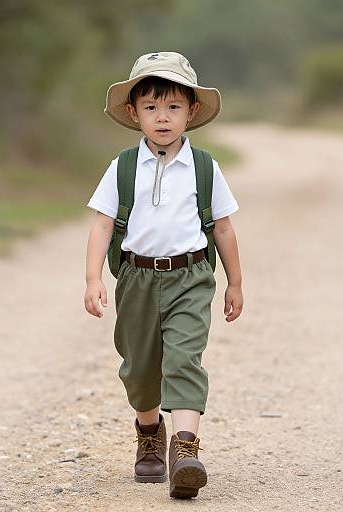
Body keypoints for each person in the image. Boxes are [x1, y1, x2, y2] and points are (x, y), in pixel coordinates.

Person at [84, 51, 243, 499]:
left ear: (191, 112)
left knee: (183, 358)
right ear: (134, 113)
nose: (163, 118)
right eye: (151, 107)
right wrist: (93, 278)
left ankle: (185, 449)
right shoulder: (123, 167)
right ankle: (149, 430)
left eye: (173, 107)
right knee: (140, 370)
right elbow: (100, 224)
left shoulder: (205, 167)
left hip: (190, 276)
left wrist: (235, 281)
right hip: (135, 278)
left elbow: (225, 228)